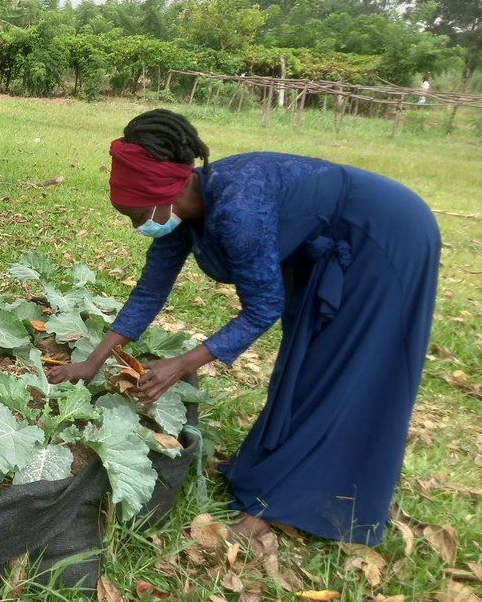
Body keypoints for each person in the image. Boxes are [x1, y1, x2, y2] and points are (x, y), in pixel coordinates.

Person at [48, 109, 440, 545]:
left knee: (345, 369)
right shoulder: (180, 212)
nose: (137, 224)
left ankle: (281, 504)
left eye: (137, 214)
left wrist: (182, 363)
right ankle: (269, 470)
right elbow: (149, 292)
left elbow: (263, 307)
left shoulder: (237, 211)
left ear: (167, 195)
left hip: (381, 237)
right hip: (325, 244)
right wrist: (92, 361)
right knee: (304, 361)